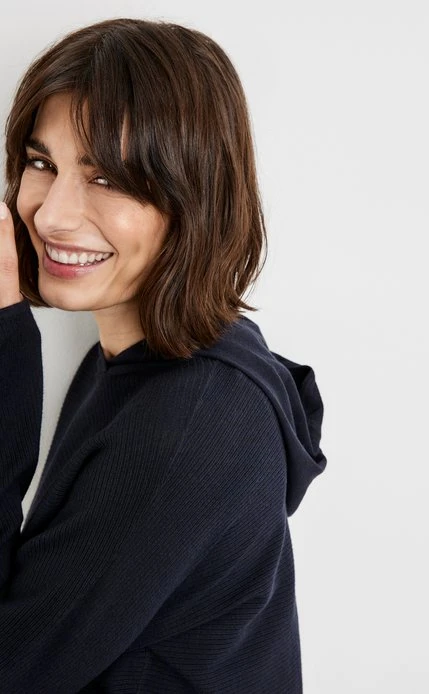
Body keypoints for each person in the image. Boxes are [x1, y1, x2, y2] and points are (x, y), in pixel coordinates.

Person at [0, 17, 326, 693]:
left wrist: (4, 348)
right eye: (42, 164)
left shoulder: (186, 425)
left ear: (193, 198)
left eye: (107, 177)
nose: (52, 214)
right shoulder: (140, 361)